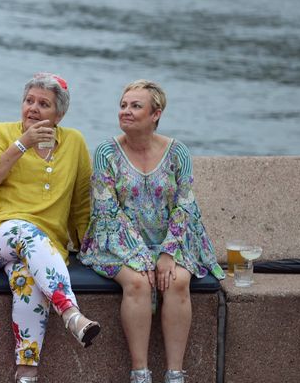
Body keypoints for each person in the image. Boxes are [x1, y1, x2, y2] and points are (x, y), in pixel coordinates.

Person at [0, 73, 101, 383]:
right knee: (24, 230)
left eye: (44, 104)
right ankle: (70, 313)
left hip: (40, 248)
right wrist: (22, 144)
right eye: (29, 100)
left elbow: (81, 205)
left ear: (59, 115)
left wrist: (91, 251)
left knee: (27, 278)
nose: (33, 108)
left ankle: (27, 372)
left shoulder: (74, 143)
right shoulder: (0, 133)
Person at [78, 80, 225, 383]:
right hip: (116, 240)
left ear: (155, 114)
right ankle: (140, 373)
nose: (126, 112)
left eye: (135, 106)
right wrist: (141, 257)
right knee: (137, 283)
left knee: (178, 281)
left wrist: (168, 253)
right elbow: (107, 212)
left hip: (173, 238)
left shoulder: (178, 153)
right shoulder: (106, 152)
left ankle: (174, 374)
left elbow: (185, 208)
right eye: (123, 105)